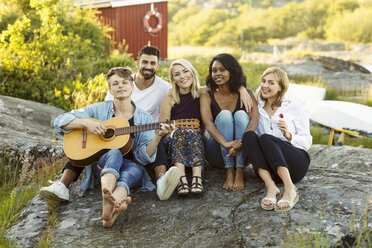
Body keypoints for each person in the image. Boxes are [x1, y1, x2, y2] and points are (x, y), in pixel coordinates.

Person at [40, 46, 180, 202]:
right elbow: (60, 121)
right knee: (94, 149)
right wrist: (86, 123)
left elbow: (143, 157)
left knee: (134, 164)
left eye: (124, 83)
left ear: (131, 87)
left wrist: (158, 136)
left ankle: (115, 200)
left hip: (131, 160)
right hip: (102, 162)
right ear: (109, 90)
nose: (120, 86)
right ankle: (62, 185)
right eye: (115, 84)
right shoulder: (100, 109)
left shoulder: (145, 115)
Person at [242, 67, 312, 212]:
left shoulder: (295, 107)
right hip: (270, 169)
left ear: (281, 87)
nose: (265, 86)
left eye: (271, 83)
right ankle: (271, 187)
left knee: (267, 138)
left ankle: (290, 188)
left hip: (295, 164)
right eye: (263, 81)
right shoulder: (256, 107)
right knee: (248, 135)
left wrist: (289, 135)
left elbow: (307, 141)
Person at [200, 53, 258, 192]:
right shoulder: (206, 94)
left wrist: (240, 143)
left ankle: (239, 172)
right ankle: (229, 172)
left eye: (222, 69)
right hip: (217, 153)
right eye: (214, 70)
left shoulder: (247, 93)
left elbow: (254, 119)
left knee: (241, 115)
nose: (217, 73)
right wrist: (226, 143)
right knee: (225, 115)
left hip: (242, 153)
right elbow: (208, 124)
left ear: (232, 71)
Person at [158, 59, 205, 195]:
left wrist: (243, 89)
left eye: (185, 71)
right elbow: (160, 128)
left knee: (193, 132)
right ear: (173, 79)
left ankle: (197, 177)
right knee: (180, 132)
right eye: (177, 74)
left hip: (197, 139)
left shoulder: (202, 93)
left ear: (192, 73)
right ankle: (180, 178)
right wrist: (167, 130)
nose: (183, 76)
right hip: (173, 139)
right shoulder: (169, 98)